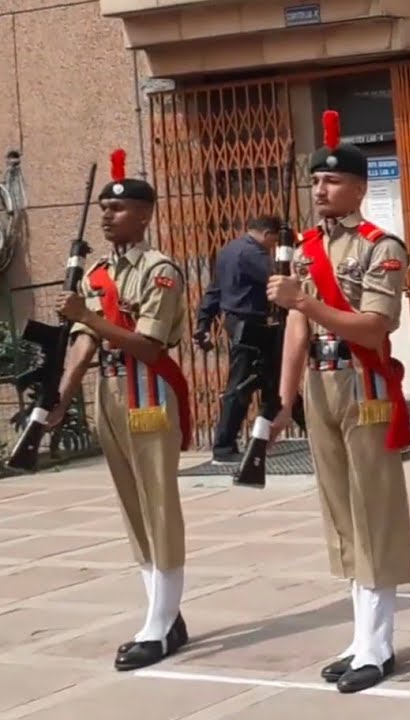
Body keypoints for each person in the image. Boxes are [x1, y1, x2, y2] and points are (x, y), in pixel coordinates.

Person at [265, 110, 410, 694]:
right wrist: (283, 400)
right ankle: (359, 635)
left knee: (373, 509)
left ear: (358, 188)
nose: (320, 190)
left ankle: (378, 645)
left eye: (330, 181)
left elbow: (375, 326)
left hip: (364, 382)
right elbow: (296, 331)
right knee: (340, 513)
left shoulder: (382, 247)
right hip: (320, 385)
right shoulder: (304, 248)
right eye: (314, 181)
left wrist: (306, 300)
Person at [47, 148, 193, 671]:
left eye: (120, 208)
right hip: (110, 393)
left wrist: (87, 314)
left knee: (159, 506)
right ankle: (164, 612)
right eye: (105, 209)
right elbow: (86, 339)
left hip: (148, 392)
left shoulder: (160, 272)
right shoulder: (99, 271)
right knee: (133, 509)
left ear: (146, 214)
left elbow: (148, 345)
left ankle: (157, 625)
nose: (108, 216)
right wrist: (62, 395)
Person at [194, 214, 282, 461]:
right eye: (275, 241)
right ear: (267, 234)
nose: (273, 247)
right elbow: (278, 278)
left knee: (271, 382)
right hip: (253, 325)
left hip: (239, 323)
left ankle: (266, 437)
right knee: (243, 384)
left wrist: (203, 322)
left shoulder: (228, 250)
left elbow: (214, 290)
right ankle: (224, 447)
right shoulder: (254, 254)